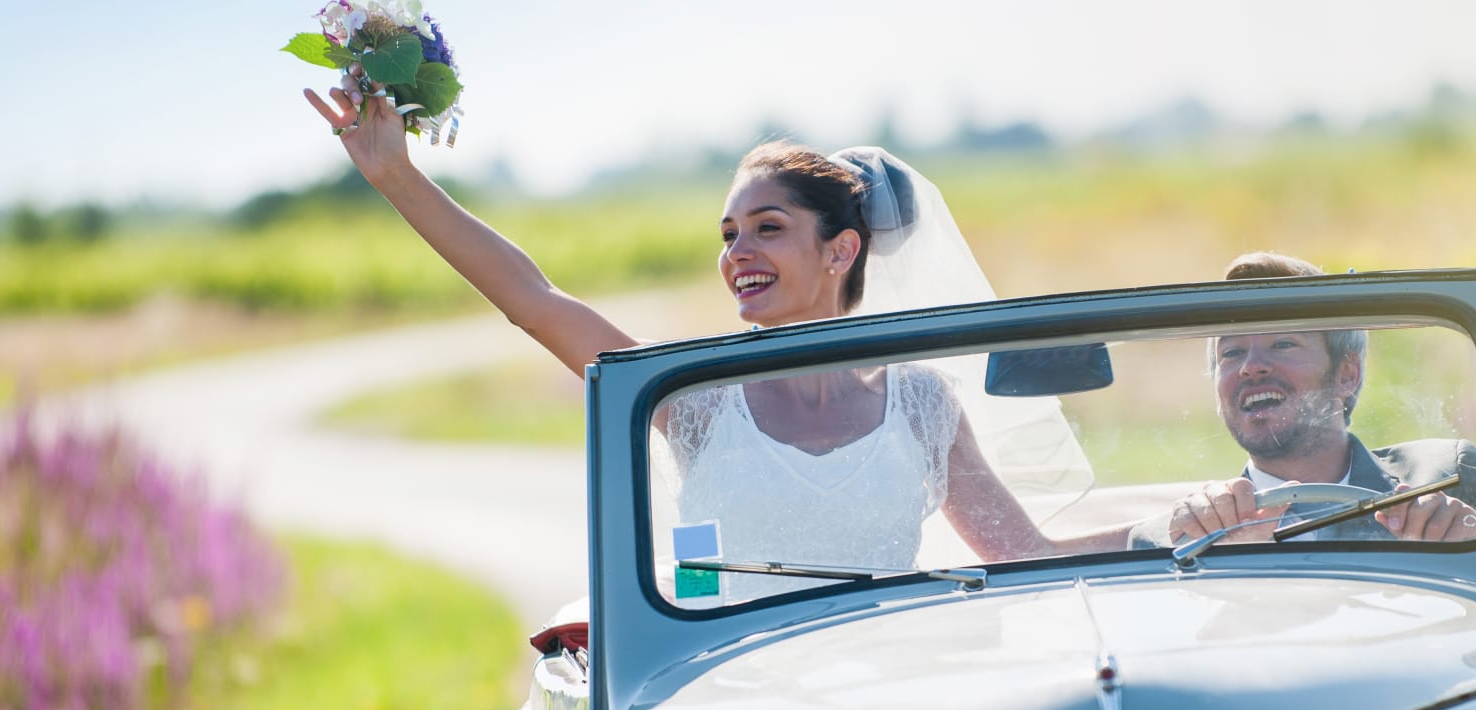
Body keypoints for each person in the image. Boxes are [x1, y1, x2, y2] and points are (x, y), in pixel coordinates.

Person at [303, 82, 1115, 601]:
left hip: (884, 698)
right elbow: (532, 300)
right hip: (728, 709)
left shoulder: (922, 405)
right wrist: (395, 176)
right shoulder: (693, 394)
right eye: (729, 234)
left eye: (768, 229)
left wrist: (1197, 527)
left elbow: (1023, 553)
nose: (737, 255)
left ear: (841, 250)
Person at [1142, 251, 1476, 548]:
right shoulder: (1187, 534)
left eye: (1282, 344)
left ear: (1347, 375)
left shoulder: (1447, 473)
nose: (1251, 367)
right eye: (1231, 353)